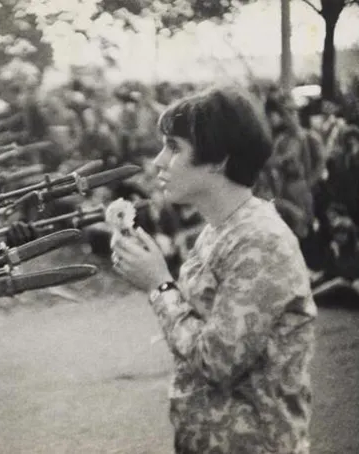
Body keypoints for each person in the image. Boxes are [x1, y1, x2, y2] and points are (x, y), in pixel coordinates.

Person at [110, 86, 316, 453]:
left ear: (218, 160)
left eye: (174, 147)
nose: (158, 161)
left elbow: (217, 360)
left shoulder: (259, 242)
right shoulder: (221, 228)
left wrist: (159, 285)